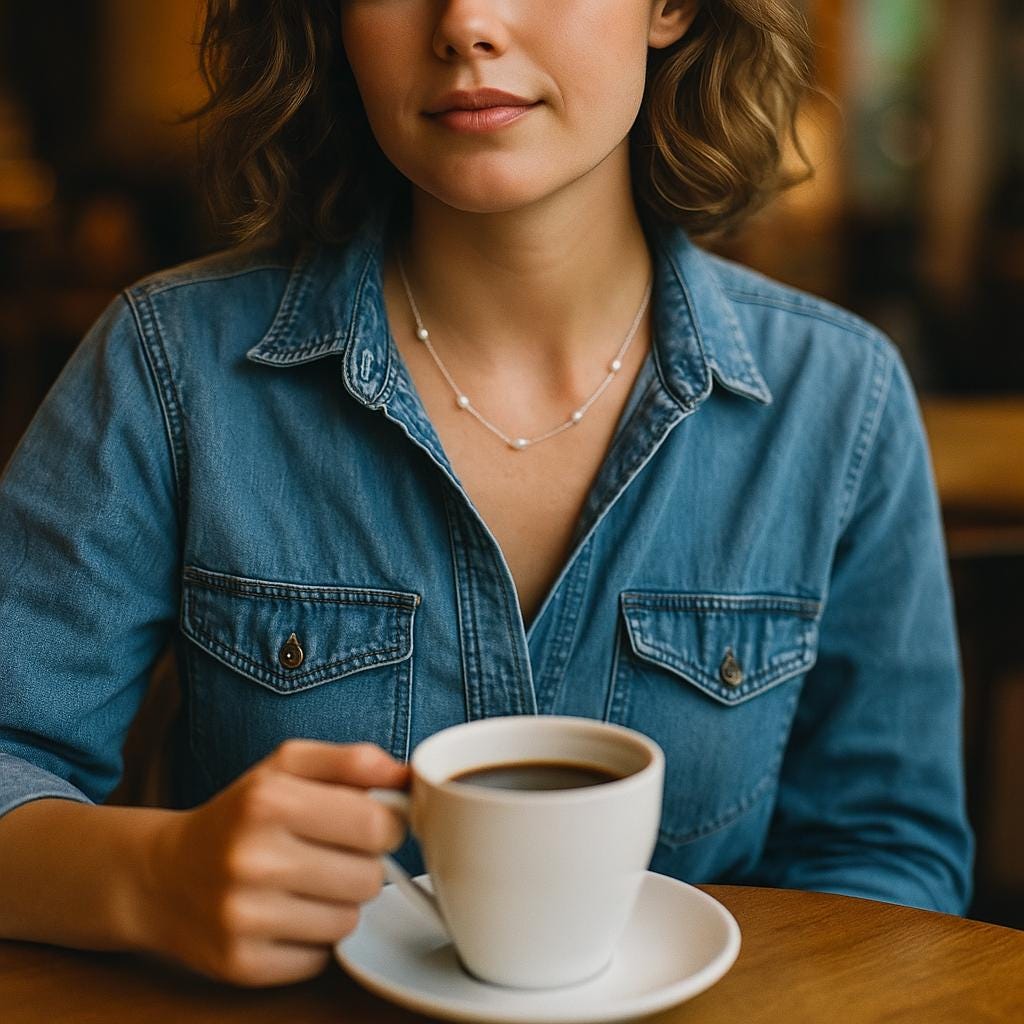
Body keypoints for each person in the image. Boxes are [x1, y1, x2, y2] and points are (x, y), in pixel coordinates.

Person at [0, 0, 972, 989]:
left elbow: (886, 856)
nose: (466, 22)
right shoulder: (169, 370)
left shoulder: (839, 403)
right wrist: (151, 877)